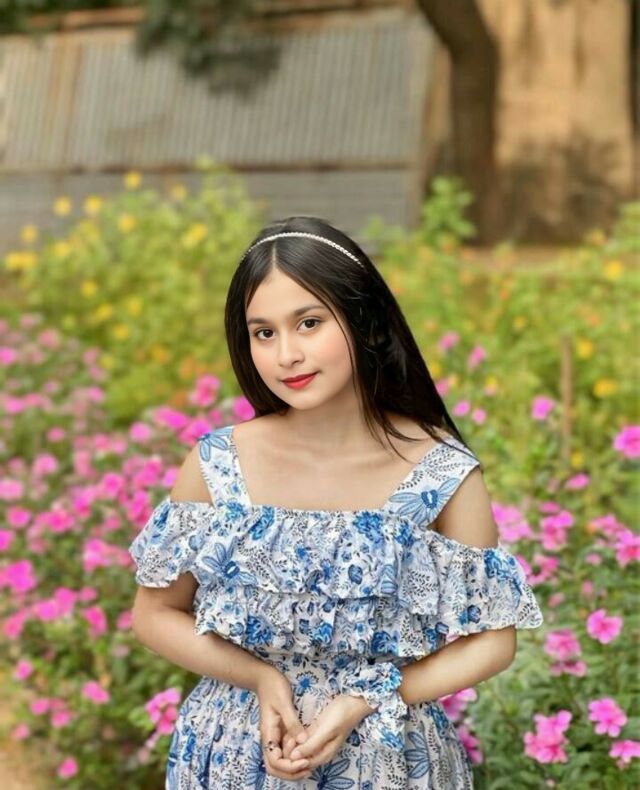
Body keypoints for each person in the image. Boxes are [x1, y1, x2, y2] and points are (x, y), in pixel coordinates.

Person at [128, 215, 544, 789]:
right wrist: (259, 678)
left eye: (309, 323)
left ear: (365, 322)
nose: (286, 354)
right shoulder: (218, 464)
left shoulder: (442, 472)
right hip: (234, 757)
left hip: (390, 760)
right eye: (263, 333)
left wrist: (370, 697)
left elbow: (494, 639)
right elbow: (154, 614)